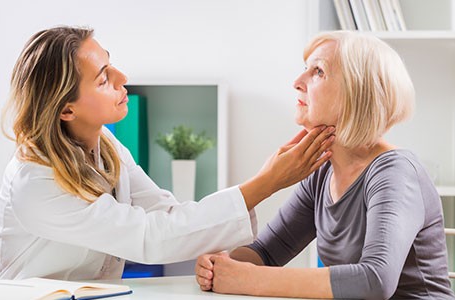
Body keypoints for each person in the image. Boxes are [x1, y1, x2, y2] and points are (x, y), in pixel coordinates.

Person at [0, 26, 335, 281]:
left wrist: (213, 250)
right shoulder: (35, 180)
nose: (122, 77)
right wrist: (267, 182)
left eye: (110, 64)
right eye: (102, 79)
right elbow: (148, 237)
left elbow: (166, 213)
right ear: (66, 110)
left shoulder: (106, 146)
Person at [195, 30, 455, 299]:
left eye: (318, 71)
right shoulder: (322, 174)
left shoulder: (395, 173)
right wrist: (223, 266)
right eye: (305, 69)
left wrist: (248, 279)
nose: (297, 82)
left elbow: (375, 280)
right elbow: (267, 252)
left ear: (357, 91)